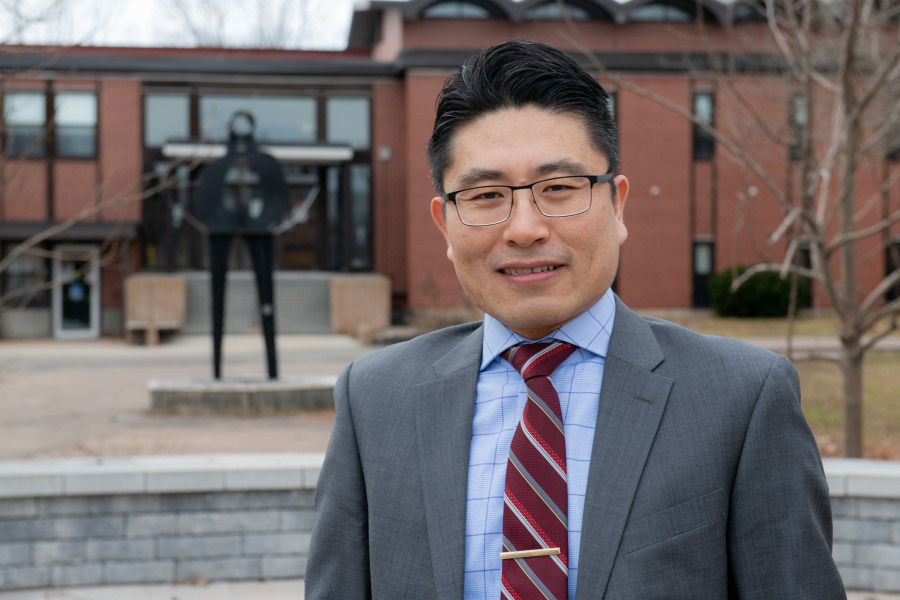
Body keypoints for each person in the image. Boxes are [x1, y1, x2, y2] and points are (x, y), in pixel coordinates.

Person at [306, 39, 845, 599]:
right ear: (445, 224)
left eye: (558, 189)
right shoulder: (375, 400)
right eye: (486, 195)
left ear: (618, 206)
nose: (523, 229)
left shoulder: (741, 397)